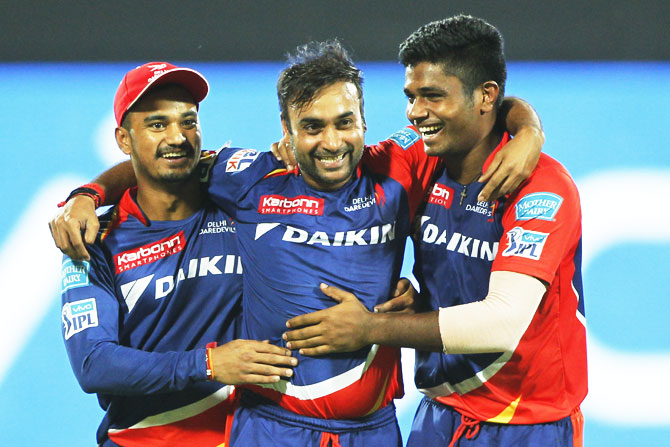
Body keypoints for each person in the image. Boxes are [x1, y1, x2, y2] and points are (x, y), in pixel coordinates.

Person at [51, 42, 544, 446]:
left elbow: (481, 108)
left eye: (344, 122)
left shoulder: (399, 165)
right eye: (312, 127)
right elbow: (160, 167)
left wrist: (527, 129)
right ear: (285, 133)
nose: (331, 142)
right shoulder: (249, 176)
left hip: (373, 431)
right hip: (272, 429)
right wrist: (87, 194)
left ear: (365, 123)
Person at [283, 16, 587, 447]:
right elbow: (338, 156)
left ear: (485, 97)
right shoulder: (424, 159)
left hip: (525, 424)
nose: (415, 113)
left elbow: (500, 323)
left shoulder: (541, 187)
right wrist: (292, 146)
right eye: (411, 97)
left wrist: (368, 328)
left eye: (432, 97)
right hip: (439, 413)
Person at [57, 62, 297, 447]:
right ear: (123, 140)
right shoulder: (94, 238)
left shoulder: (244, 199)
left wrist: (389, 290)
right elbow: (94, 364)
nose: (178, 137)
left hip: (254, 434)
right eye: (157, 125)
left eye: (188, 122)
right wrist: (208, 363)